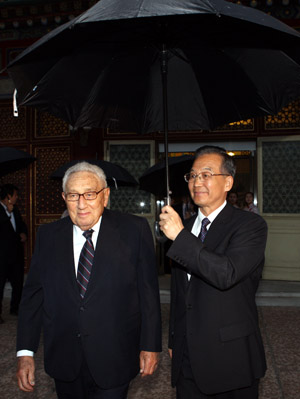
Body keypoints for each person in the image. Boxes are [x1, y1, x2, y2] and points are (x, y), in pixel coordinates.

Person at [16, 162, 162, 399]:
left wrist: (151, 345)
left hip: (115, 354)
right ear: (64, 197)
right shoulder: (48, 236)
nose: (81, 204)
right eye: (73, 195)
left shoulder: (134, 230)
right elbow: (33, 297)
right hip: (64, 357)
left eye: (90, 194)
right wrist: (25, 352)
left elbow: (148, 294)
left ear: (105, 196)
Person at [159, 146, 268, 399]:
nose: (197, 181)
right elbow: (179, 292)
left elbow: (226, 274)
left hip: (231, 357)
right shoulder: (183, 228)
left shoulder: (250, 226)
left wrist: (181, 238)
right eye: (193, 175)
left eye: (207, 175)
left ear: (228, 182)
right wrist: (175, 339)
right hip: (187, 357)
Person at [0, 184, 27, 323]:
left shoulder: (15, 210)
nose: (17, 197)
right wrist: (7, 213)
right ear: (8, 196)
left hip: (15, 254)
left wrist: (23, 232)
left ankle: (15, 307)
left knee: (18, 282)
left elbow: (21, 224)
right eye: (15, 195)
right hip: (2, 256)